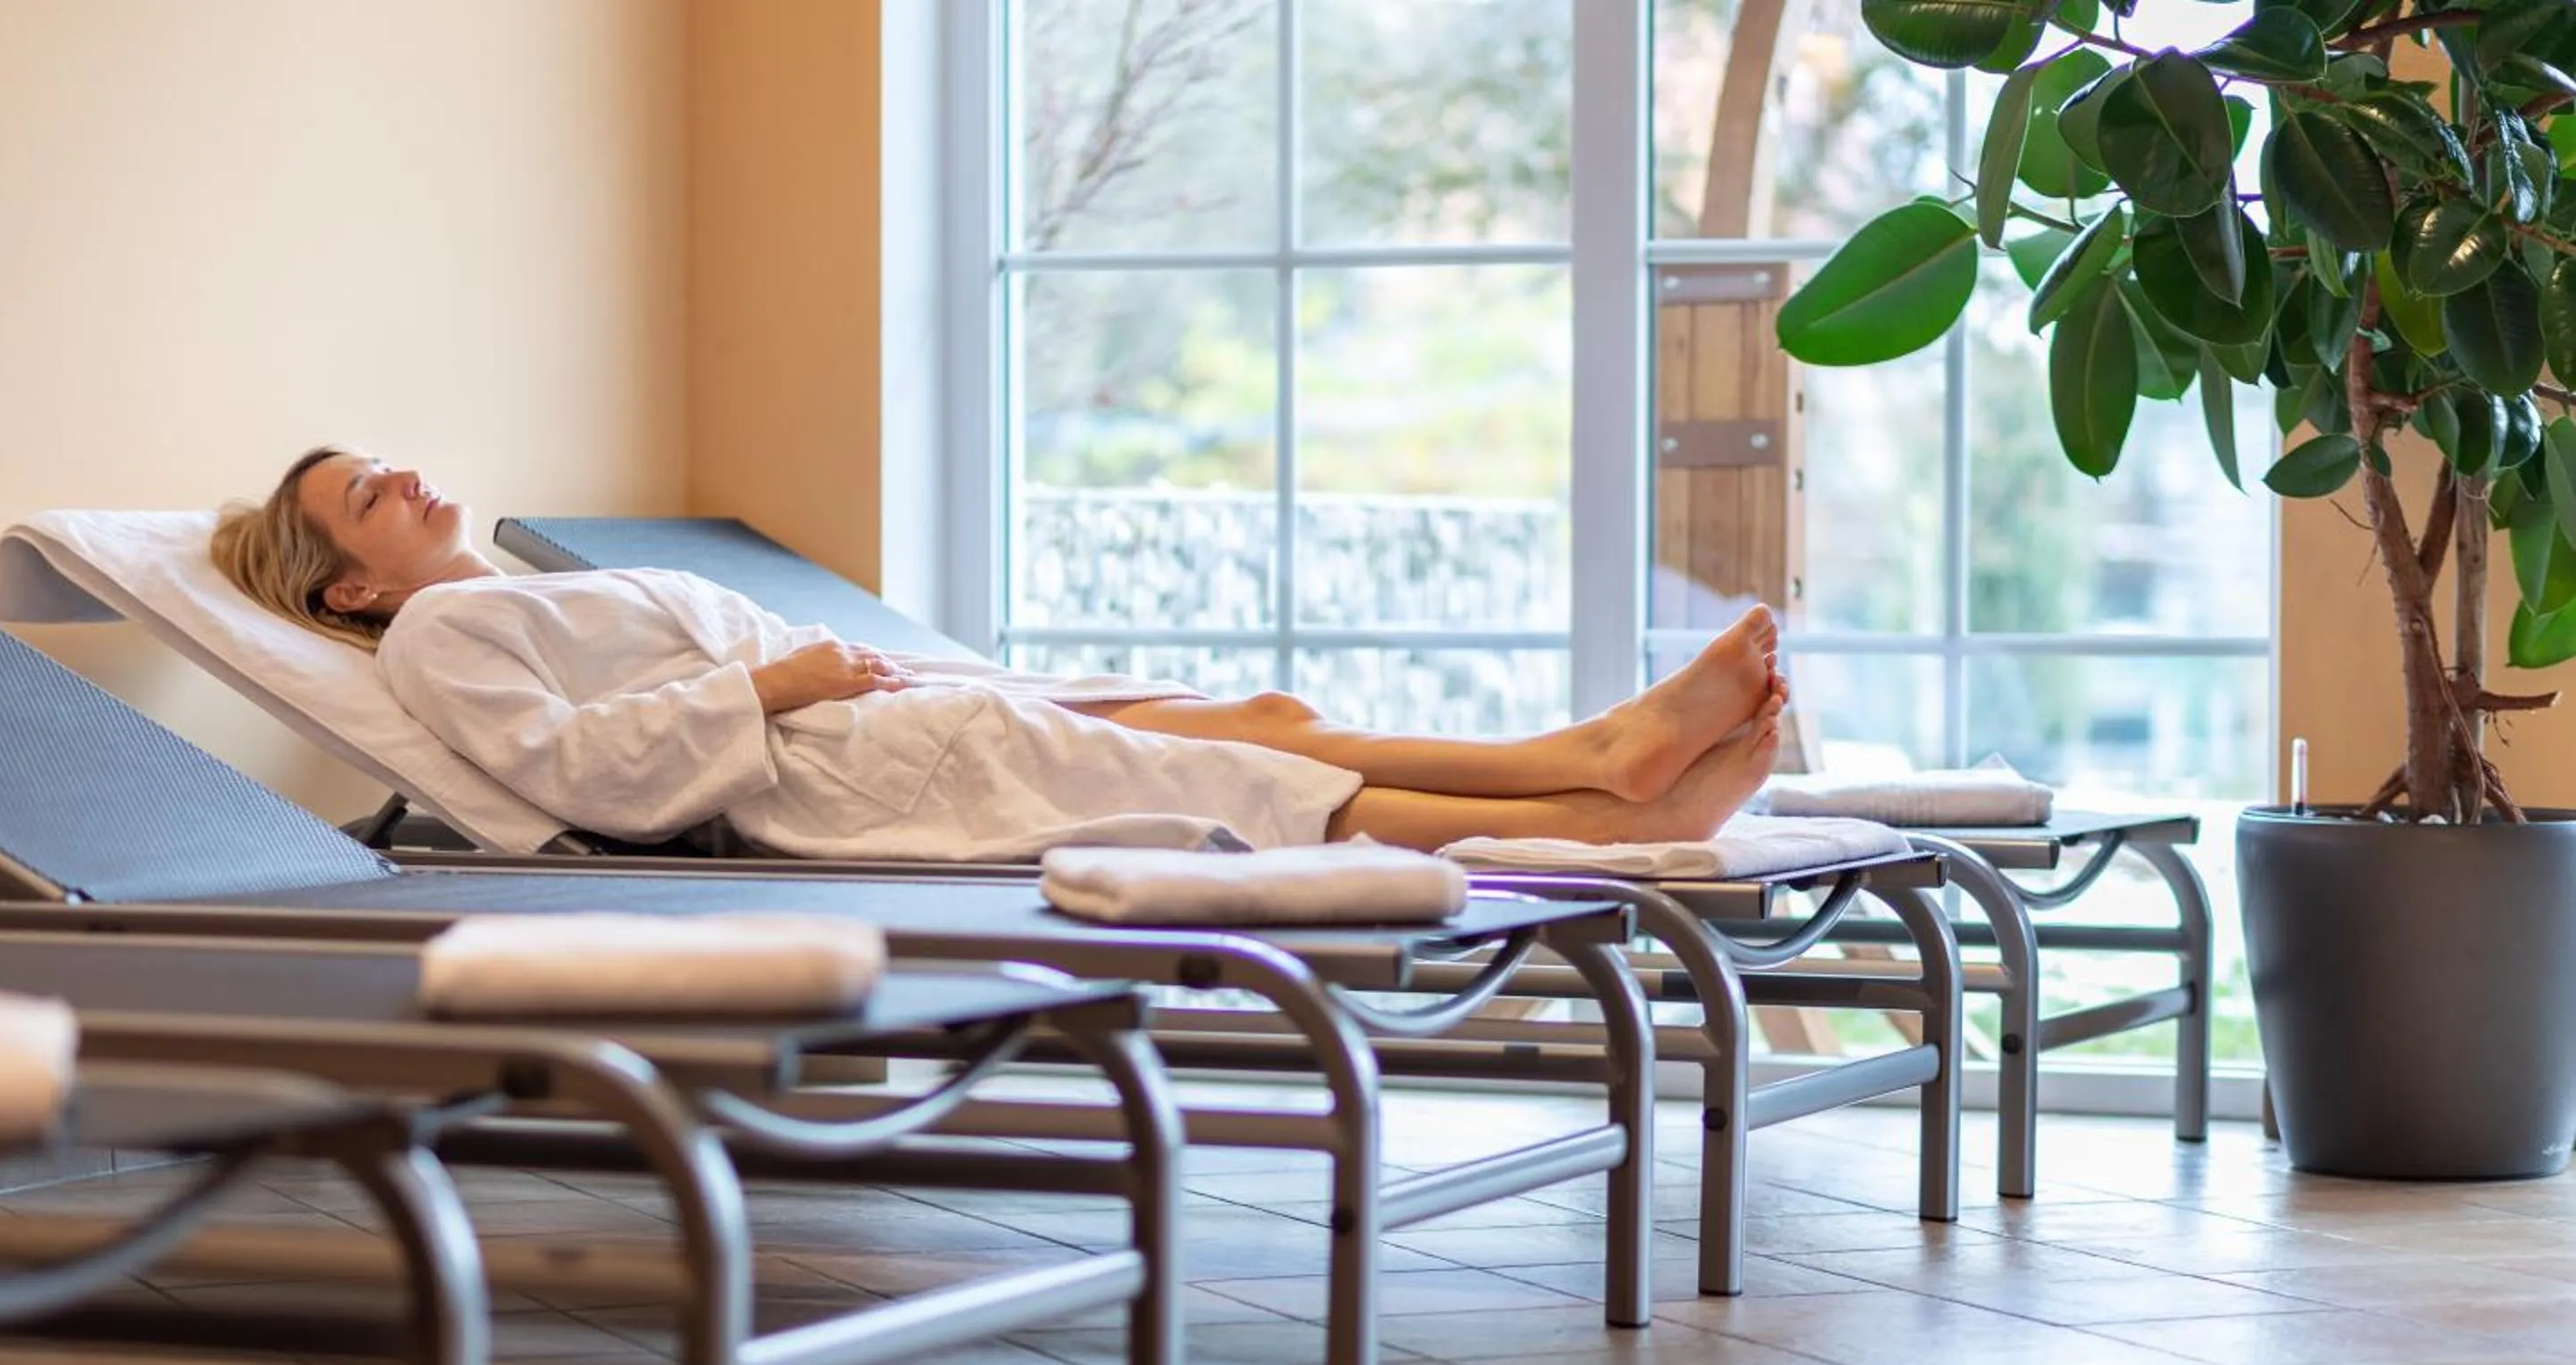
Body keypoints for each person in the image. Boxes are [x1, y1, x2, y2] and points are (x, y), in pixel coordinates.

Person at [213, 445, 1788, 861]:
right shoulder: (435, 639)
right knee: (1222, 772)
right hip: (830, 766)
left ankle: (1589, 761)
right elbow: (582, 776)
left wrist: (805, 672)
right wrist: (773, 687)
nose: (405, 480)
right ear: (347, 589)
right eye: (368, 497)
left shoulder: (510, 588)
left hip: (880, 707)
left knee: (1249, 713)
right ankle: (1600, 806)